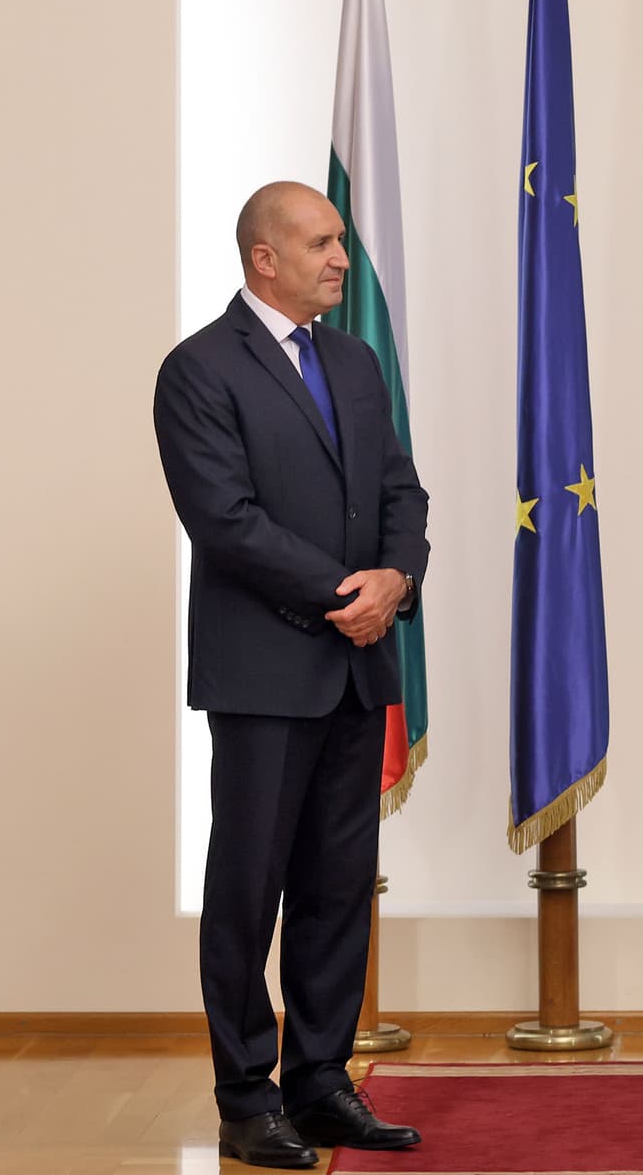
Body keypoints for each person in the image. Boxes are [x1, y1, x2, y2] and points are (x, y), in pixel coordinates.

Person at [154, 181, 431, 1170]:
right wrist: (345, 590)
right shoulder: (197, 370)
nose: (341, 260)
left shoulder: (353, 362)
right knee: (249, 886)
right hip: (267, 674)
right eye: (322, 243)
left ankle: (320, 1086)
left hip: (357, 670)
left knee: (336, 888)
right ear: (263, 256)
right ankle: (245, 1096)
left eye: (342, 243)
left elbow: (403, 488)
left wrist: (396, 577)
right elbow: (224, 520)